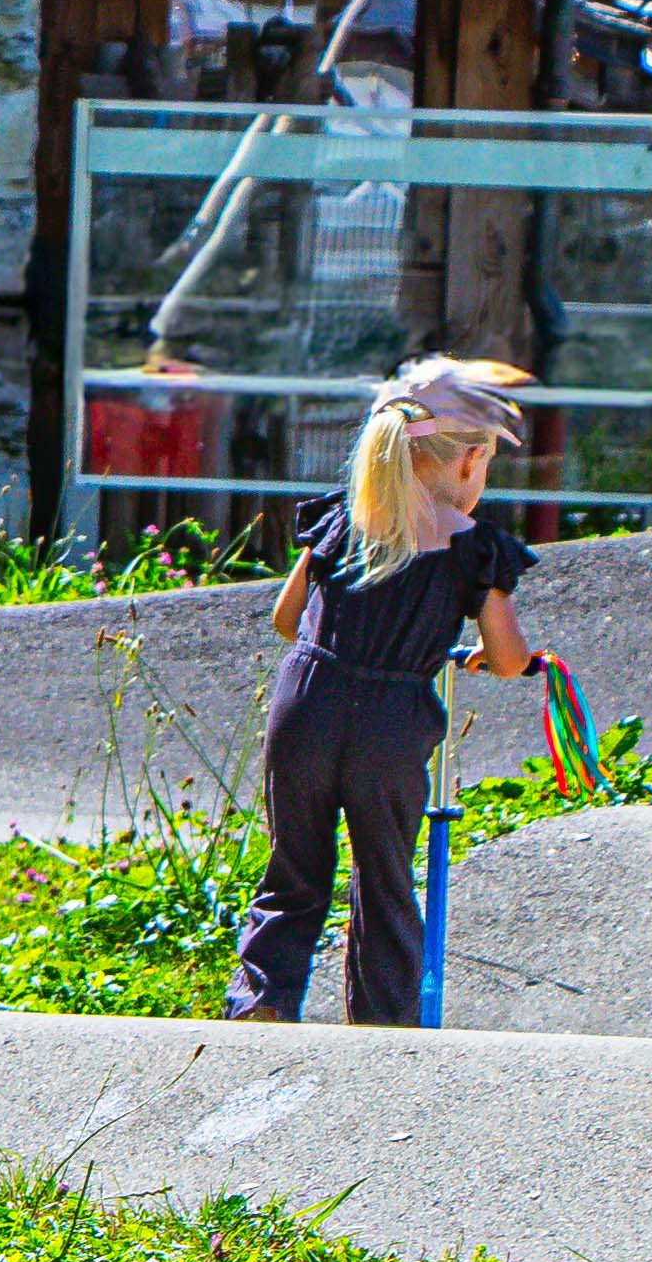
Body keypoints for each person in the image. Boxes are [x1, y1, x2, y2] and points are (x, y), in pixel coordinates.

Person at [224, 356, 541, 1027]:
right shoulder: (474, 548)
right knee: (385, 881)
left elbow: (287, 619)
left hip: (306, 703)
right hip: (391, 729)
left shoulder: (343, 523)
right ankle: (382, 1025)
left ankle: (264, 999)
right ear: (468, 460)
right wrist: (487, 655)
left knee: (293, 870)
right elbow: (511, 660)